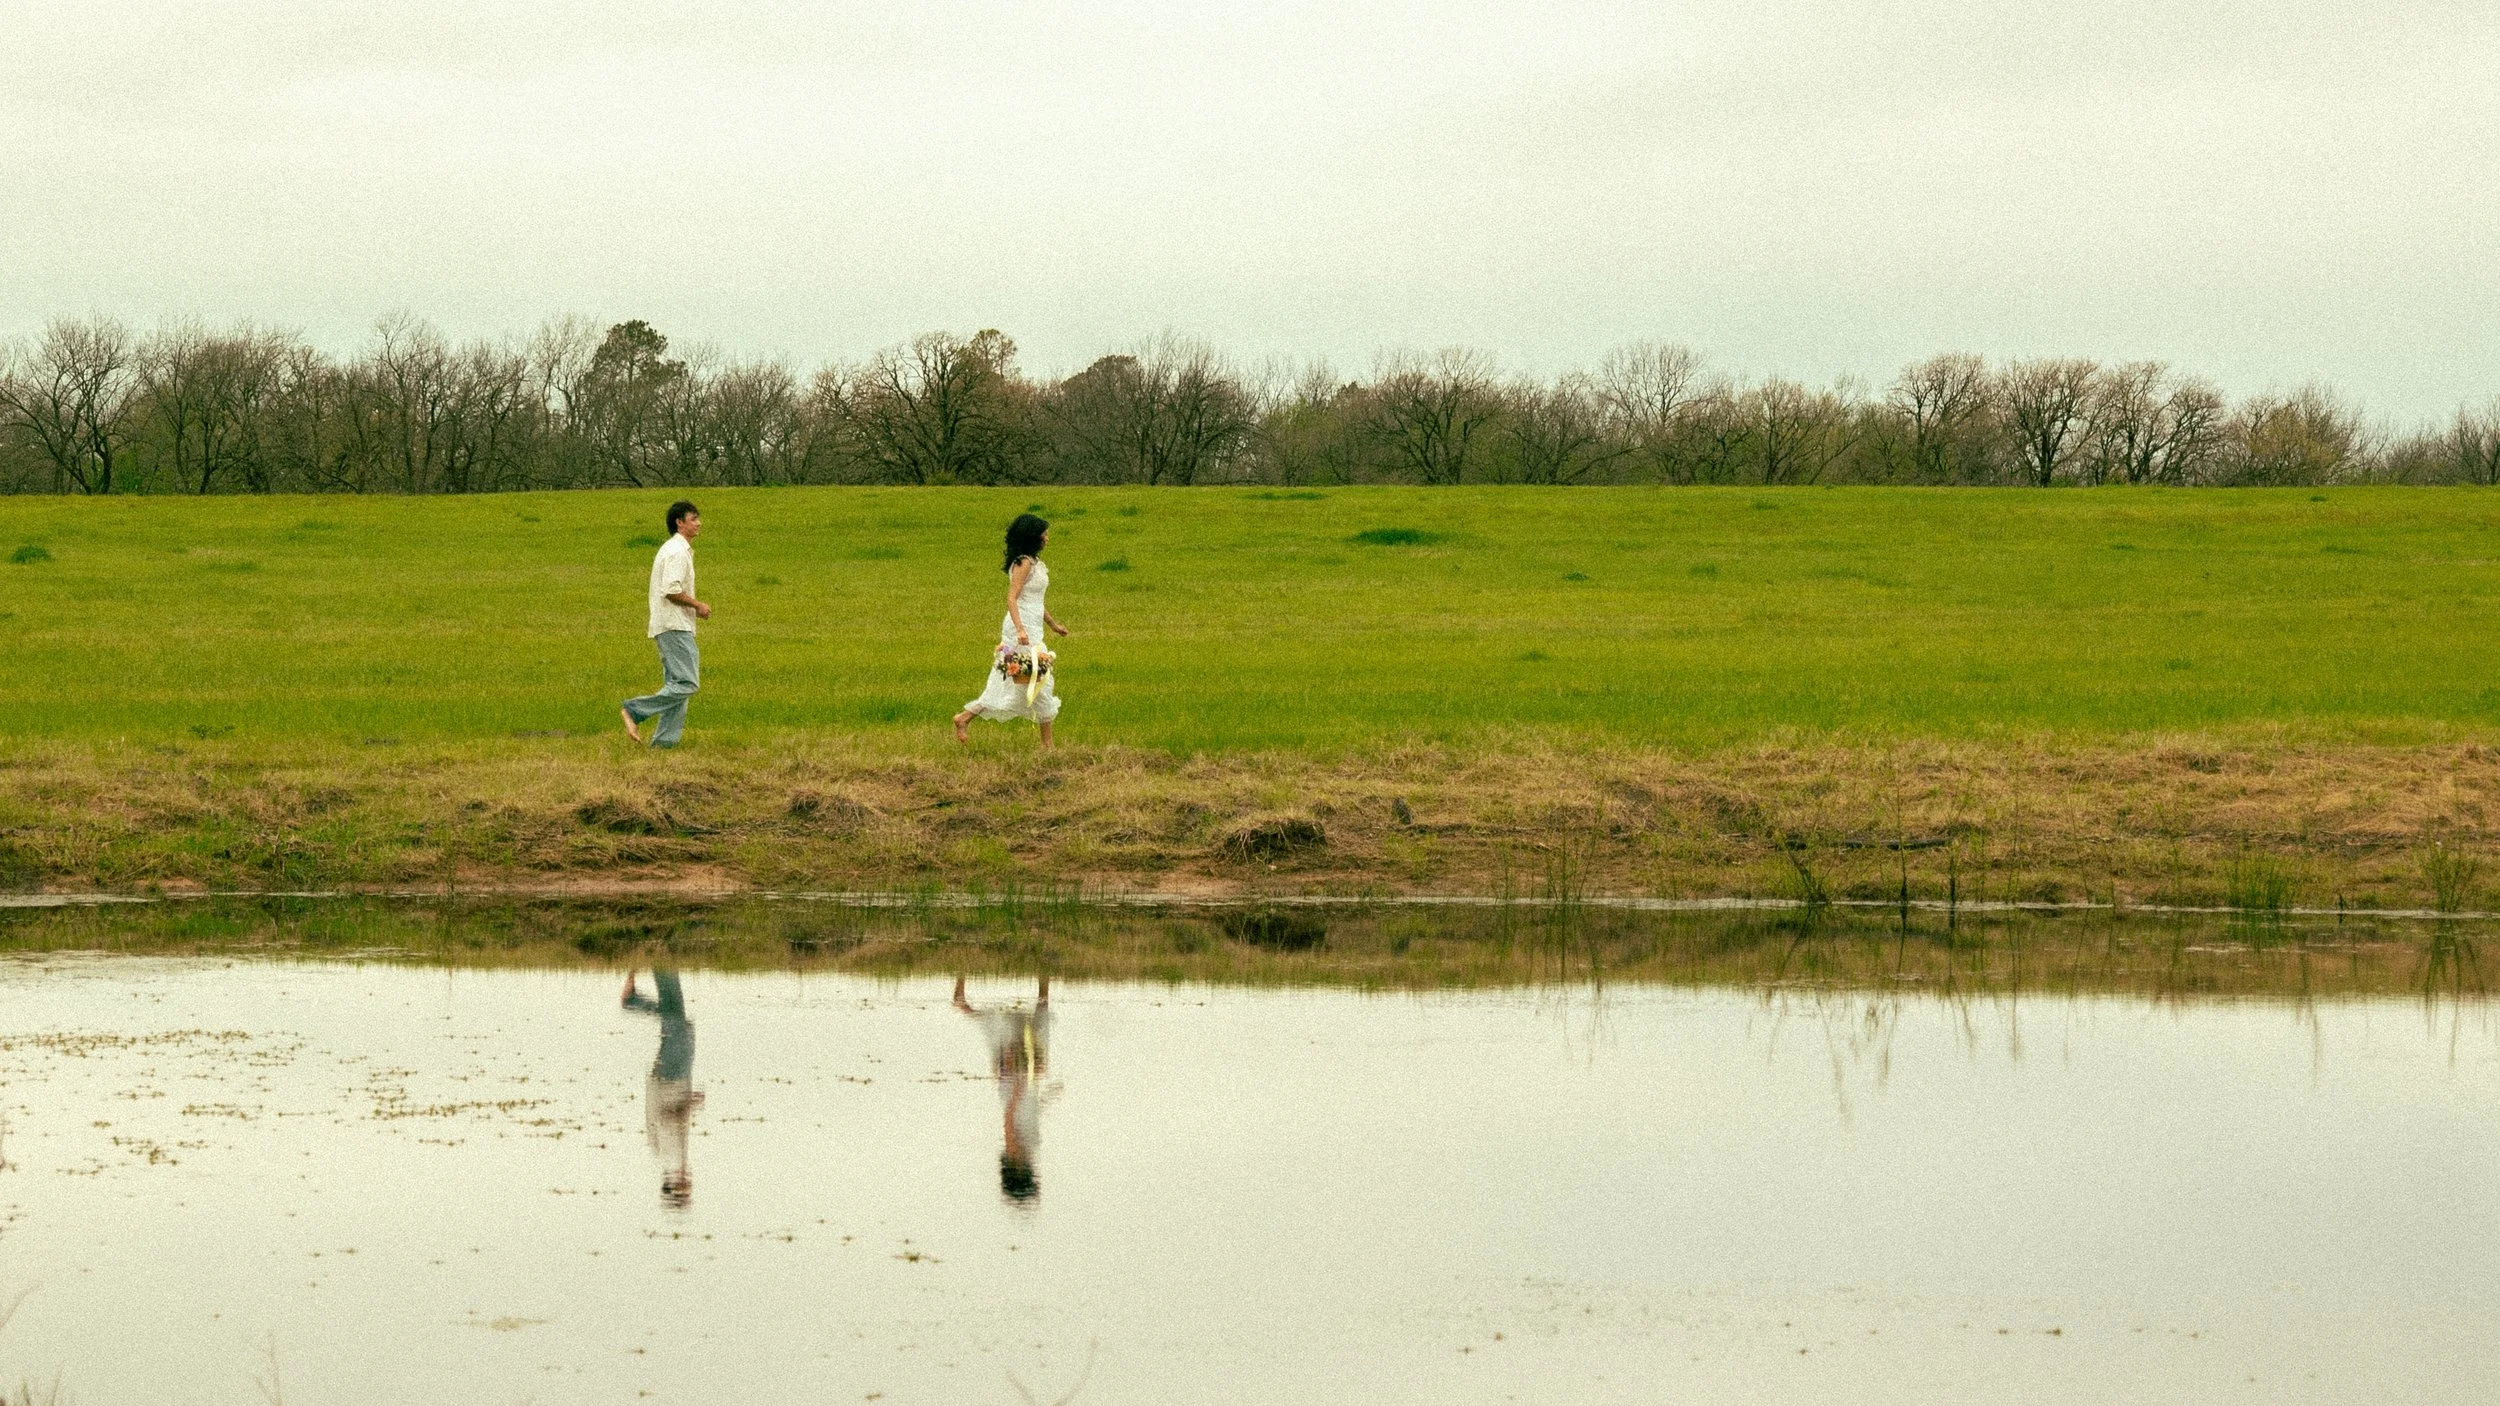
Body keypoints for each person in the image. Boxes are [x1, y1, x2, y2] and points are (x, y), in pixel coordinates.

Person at [953, 513, 1071, 748]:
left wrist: (1054, 625)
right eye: (1043, 534)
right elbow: (1012, 598)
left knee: (1029, 682)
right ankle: (1048, 747)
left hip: (1033, 627)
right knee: (1038, 679)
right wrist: (1019, 630)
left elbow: (1036, 601)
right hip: (1022, 630)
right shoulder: (1023, 563)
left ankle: (965, 717)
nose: (1047, 538)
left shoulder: (1036, 564)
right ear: (1032, 537)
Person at [953, 974, 1051, 1202]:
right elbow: (1032, 1116)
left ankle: (961, 992)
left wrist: (1017, 1091)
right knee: (1035, 1031)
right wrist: (1045, 1099)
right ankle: (1044, 978)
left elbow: (1008, 1124)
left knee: (1013, 1035)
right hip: (1022, 1089)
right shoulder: (1026, 1153)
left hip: (1015, 1088)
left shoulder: (1016, 1153)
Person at [621, 501, 710, 748]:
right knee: (687, 683)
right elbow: (671, 590)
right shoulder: (676, 552)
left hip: (671, 624)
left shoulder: (675, 550)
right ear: (679, 523)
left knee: (677, 687)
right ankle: (634, 710)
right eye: (693, 518)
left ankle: (663, 745)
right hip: (674, 625)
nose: (698, 523)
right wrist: (698, 605)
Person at [622, 967, 703, 1209]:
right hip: (670, 1082)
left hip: (670, 1081)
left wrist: (691, 1104)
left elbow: (668, 1118)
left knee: (680, 1026)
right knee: (676, 1015)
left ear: (676, 1187)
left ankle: (634, 1000)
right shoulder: (670, 1159)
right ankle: (665, 966)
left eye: (685, 1191)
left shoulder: (671, 1159)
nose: (689, 1186)